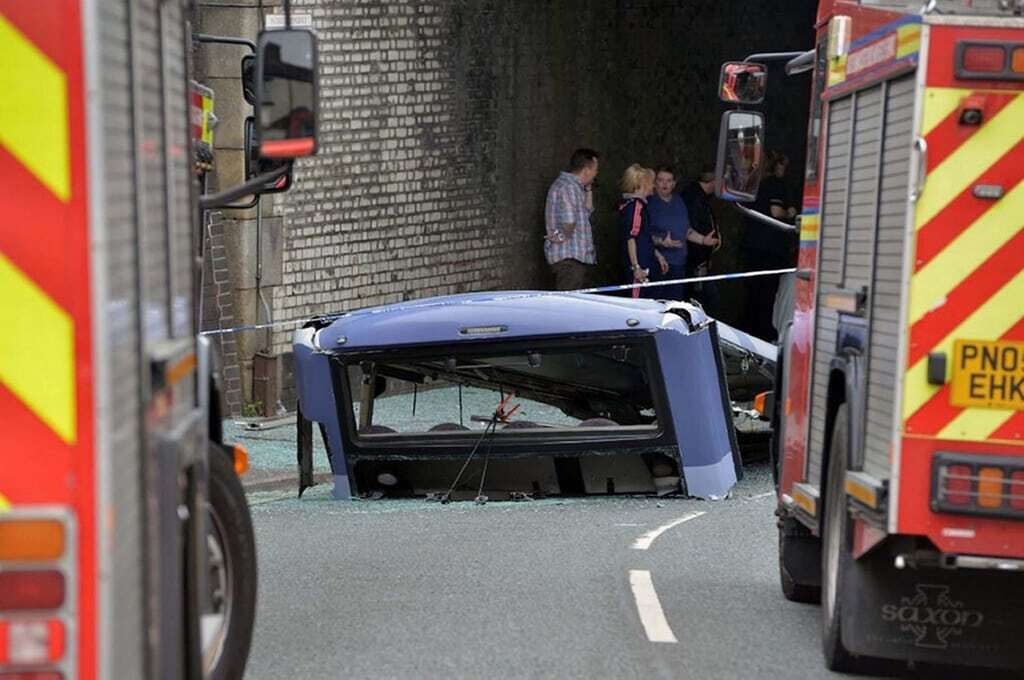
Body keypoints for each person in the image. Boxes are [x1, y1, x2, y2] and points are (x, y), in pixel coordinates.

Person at [742, 150, 798, 341]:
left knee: (752, 295)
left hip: (752, 245)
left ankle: (749, 335)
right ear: (777, 165)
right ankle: (764, 337)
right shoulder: (776, 184)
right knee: (768, 296)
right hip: (771, 249)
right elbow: (775, 212)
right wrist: (790, 214)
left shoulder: (754, 185)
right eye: (783, 165)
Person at [647, 165, 717, 302]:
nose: (665, 184)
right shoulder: (649, 203)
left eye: (668, 180)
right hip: (658, 265)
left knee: (675, 305)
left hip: (679, 265)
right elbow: (642, 236)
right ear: (655, 183)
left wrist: (703, 240)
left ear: (674, 183)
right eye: (661, 180)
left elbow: (687, 231)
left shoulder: (679, 201)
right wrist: (661, 242)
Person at [544, 148, 600, 290]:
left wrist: (588, 189)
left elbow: (587, 211)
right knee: (567, 306)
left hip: (575, 258)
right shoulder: (568, 187)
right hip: (569, 258)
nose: (596, 174)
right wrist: (563, 235)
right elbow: (569, 220)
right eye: (595, 169)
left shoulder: (575, 187)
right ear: (586, 170)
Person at [618, 164, 668, 299]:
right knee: (636, 303)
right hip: (639, 268)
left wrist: (658, 255)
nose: (653, 186)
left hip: (646, 263)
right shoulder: (635, 206)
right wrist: (636, 267)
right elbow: (631, 237)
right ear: (641, 184)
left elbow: (643, 236)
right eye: (651, 183)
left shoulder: (639, 206)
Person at [680, 164, 722, 312]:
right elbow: (689, 230)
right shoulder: (693, 199)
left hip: (700, 262)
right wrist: (700, 260)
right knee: (705, 303)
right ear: (713, 180)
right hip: (695, 264)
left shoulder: (701, 198)